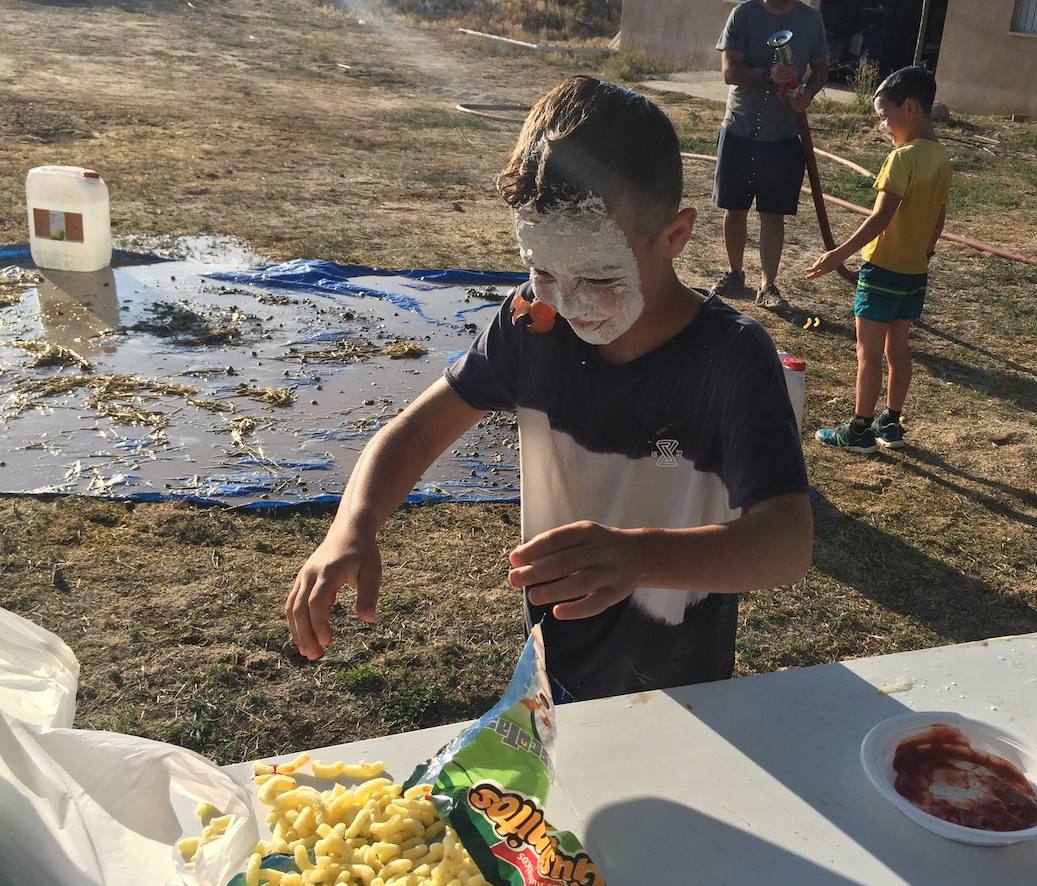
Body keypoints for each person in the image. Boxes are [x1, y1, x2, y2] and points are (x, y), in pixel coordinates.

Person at [285, 78, 812, 702]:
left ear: (674, 237)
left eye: (596, 275)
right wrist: (354, 526)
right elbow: (418, 429)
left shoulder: (730, 357)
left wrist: (639, 558)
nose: (564, 300)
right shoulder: (530, 325)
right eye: (541, 269)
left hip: (683, 685)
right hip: (552, 668)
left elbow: (786, 542)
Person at [805, 66, 950, 453]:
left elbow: (881, 216)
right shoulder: (941, 157)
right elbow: (939, 216)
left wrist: (838, 254)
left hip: (882, 269)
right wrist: (927, 251)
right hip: (914, 272)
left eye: (884, 115)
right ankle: (891, 423)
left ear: (909, 108)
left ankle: (859, 429)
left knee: (867, 352)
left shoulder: (902, 159)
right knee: (898, 350)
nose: (883, 125)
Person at [713, 0, 828, 310]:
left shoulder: (809, 19)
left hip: (784, 134)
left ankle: (768, 286)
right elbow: (730, 71)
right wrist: (769, 73)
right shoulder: (744, 14)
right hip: (740, 126)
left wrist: (806, 94)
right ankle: (735, 273)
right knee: (734, 207)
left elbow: (820, 68)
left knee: (773, 213)